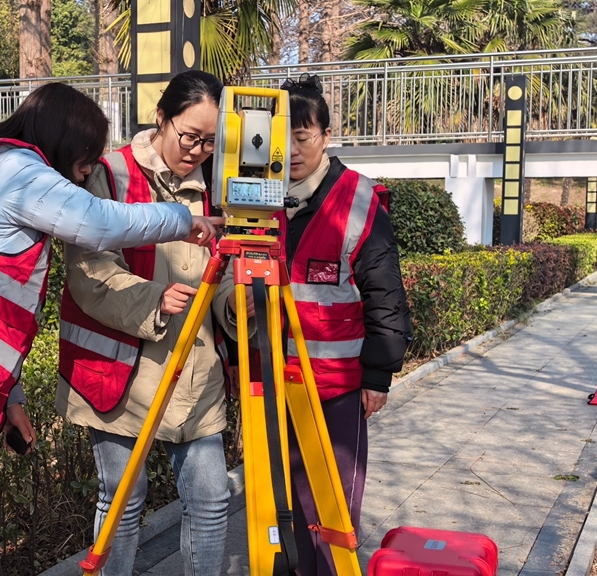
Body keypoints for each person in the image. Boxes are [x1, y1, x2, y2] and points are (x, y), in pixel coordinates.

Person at [0, 83, 221, 576]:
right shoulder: (16, 167)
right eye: (85, 159)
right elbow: (97, 222)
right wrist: (184, 220)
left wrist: (10, 394)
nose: (86, 174)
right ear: (63, 139)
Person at [214, 74, 413, 576]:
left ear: (326, 136)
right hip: (268, 381)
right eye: (284, 139)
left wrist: (378, 375)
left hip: (335, 387)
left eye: (303, 138)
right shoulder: (253, 200)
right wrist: (236, 354)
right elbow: (228, 289)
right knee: (274, 502)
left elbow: (385, 294)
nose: (293, 151)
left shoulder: (358, 199)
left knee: (329, 510)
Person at [55, 70, 230, 576]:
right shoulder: (111, 175)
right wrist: (155, 299)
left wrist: (236, 308)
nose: (198, 151)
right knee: (122, 501)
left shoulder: (220, 185)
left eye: (210, 142)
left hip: (194, 373)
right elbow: (90, 272)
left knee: (212, 500)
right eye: (190, 136)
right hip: (119, 375)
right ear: (161, 117)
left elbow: (223, 273)